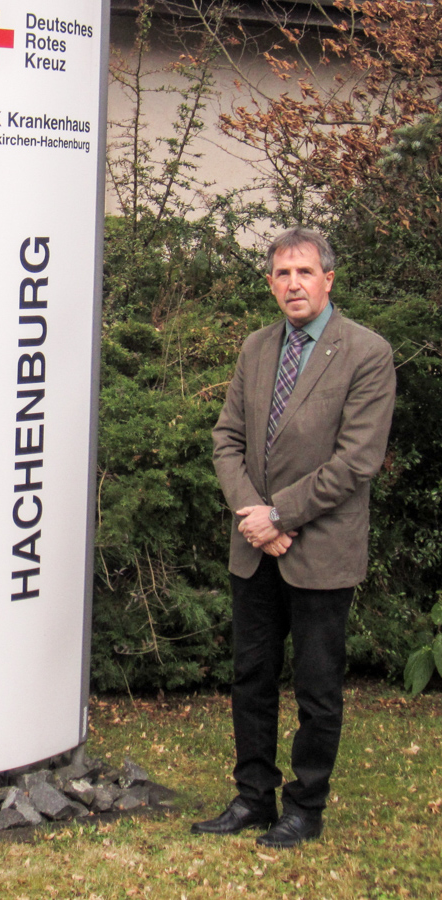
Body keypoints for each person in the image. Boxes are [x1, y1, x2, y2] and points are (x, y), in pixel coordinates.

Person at [197, 227, 395, 849]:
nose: (293, 285)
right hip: (254, 549)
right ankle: (254, 797)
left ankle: (305, 806)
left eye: (304, 273)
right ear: (271, 283)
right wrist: (253, 512)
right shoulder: (257, 348)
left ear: (328, 280)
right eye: (282, 275)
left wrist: (278, 516)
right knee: (251, 676)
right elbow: (226, 439)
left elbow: (356, 462)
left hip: (321, 551)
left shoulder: (366, 352)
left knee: (317, 686)